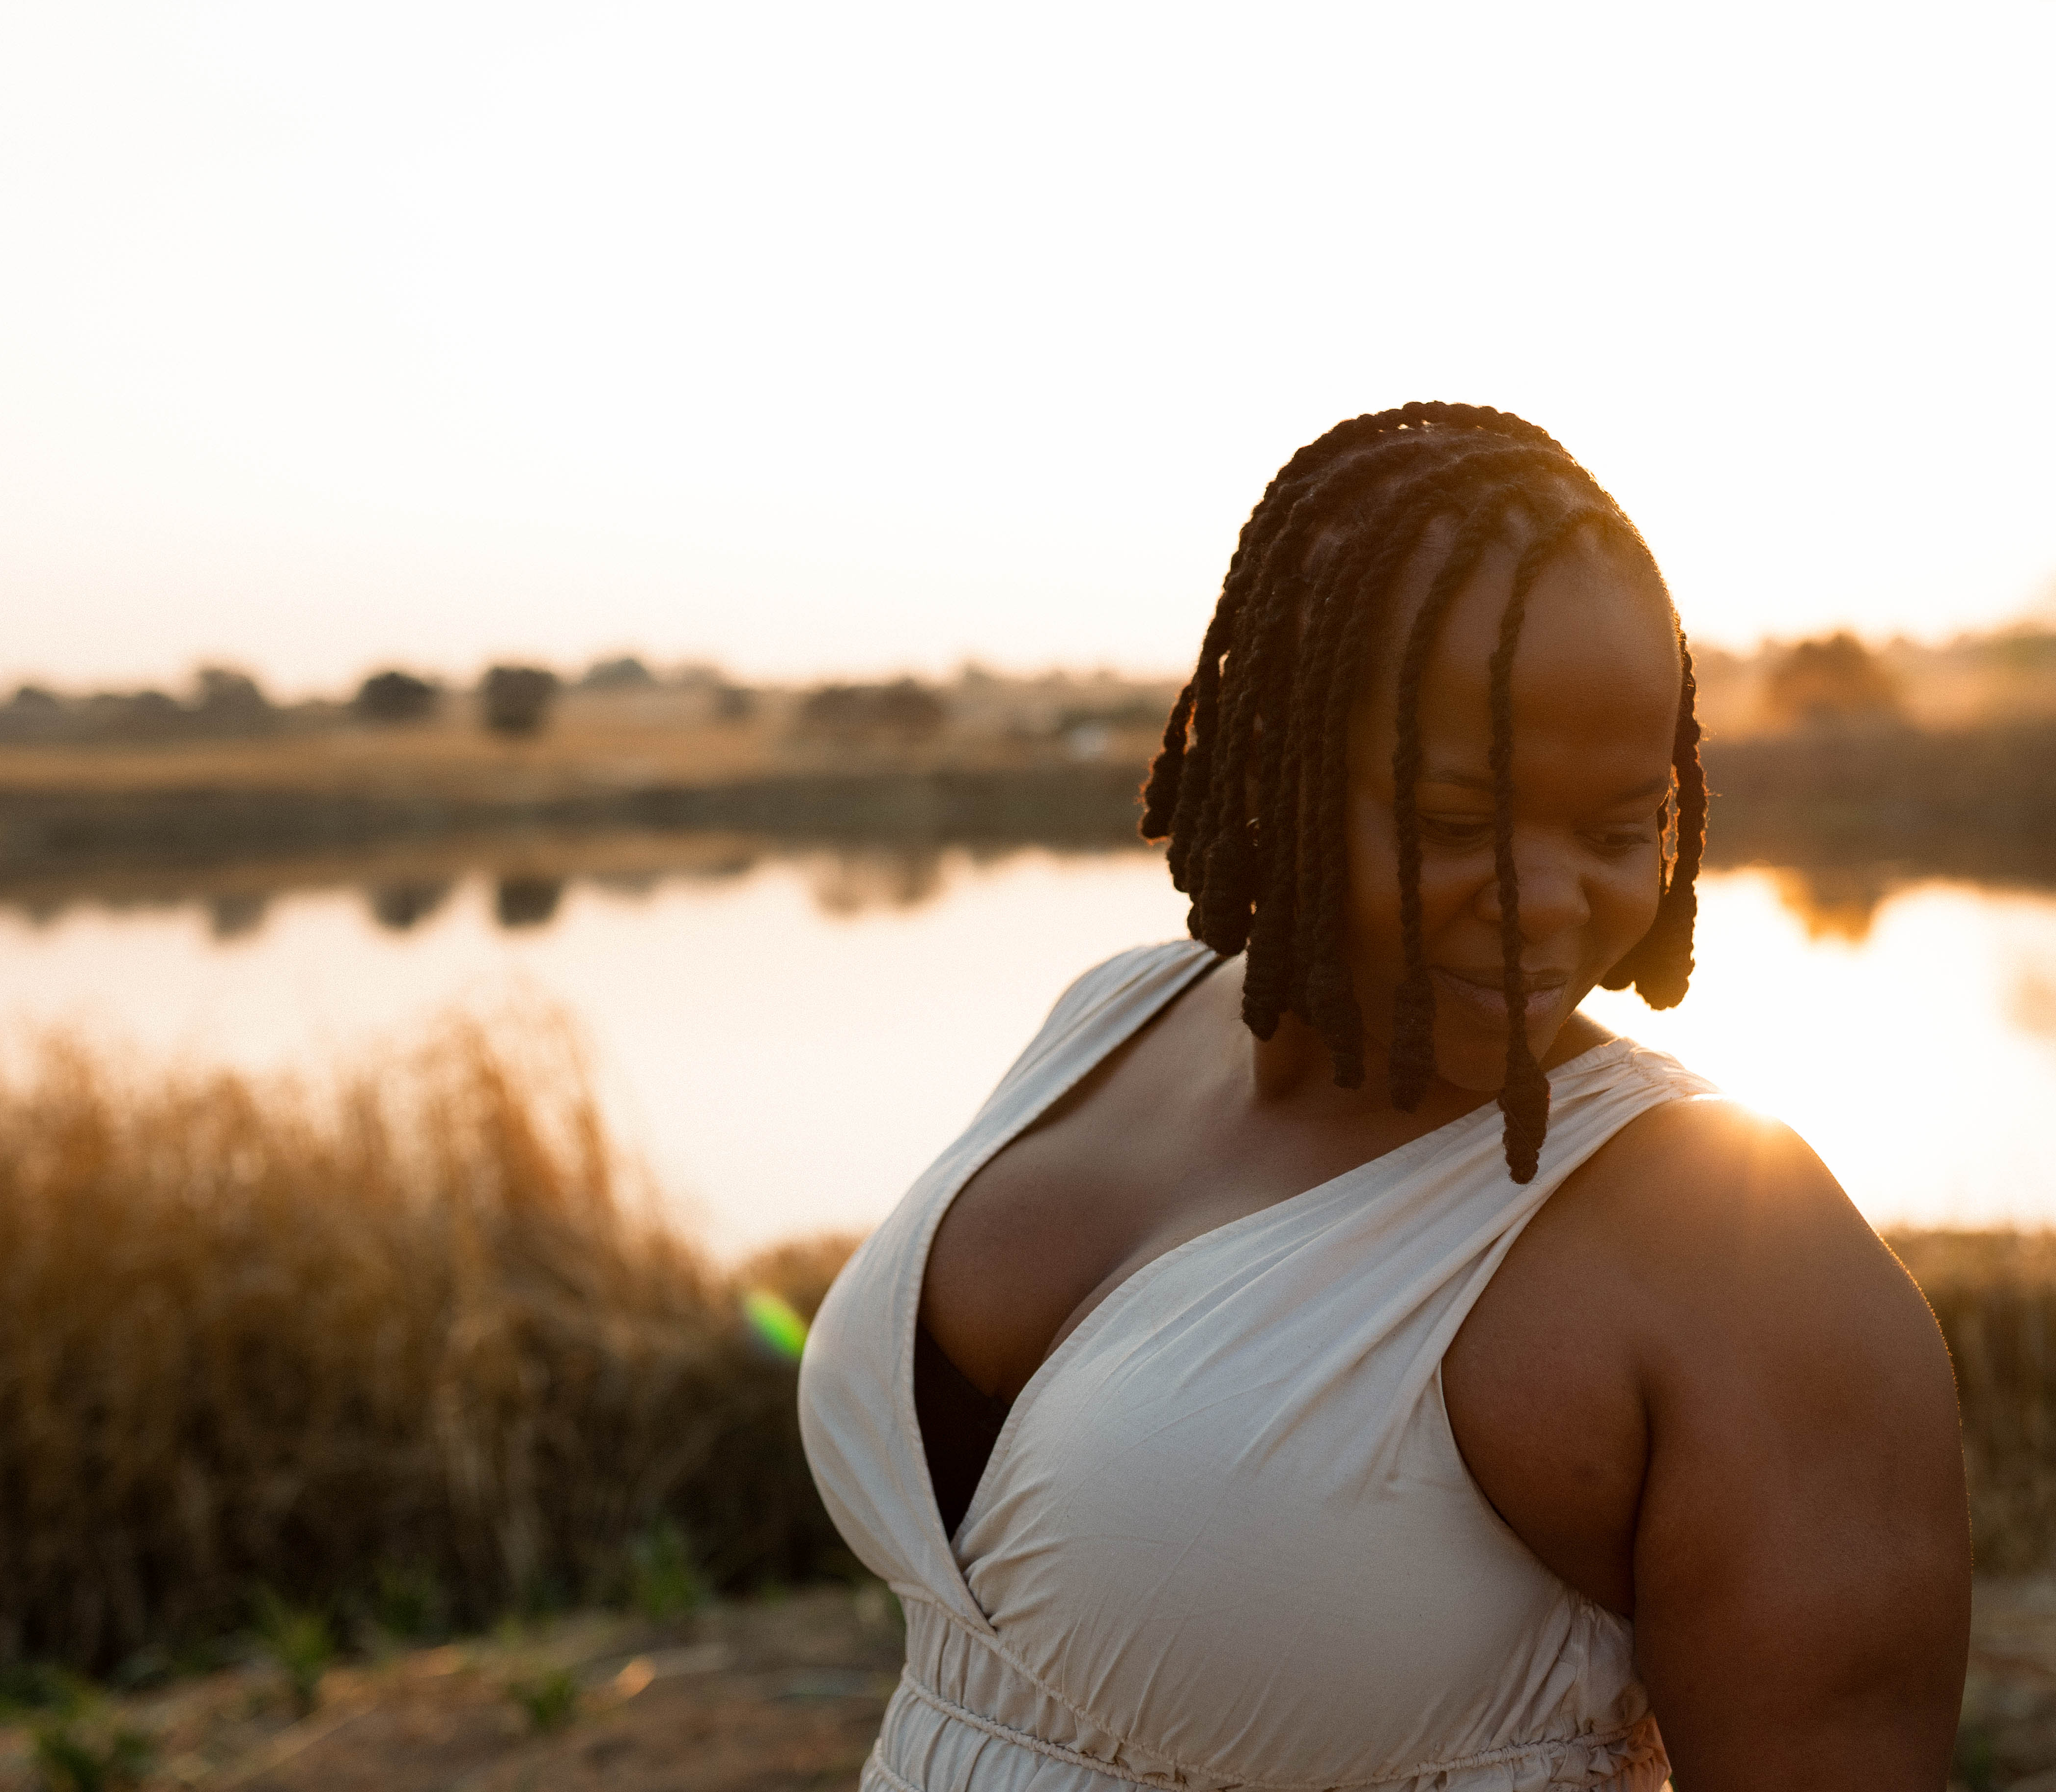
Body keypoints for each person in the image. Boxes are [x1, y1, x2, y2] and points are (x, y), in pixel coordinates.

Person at [798, 403, 1971, 1792]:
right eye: (1459, 824)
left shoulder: (1737, 1258)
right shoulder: (1110, 1020)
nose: (1549, 906)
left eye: (1620, 829)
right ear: (1275, 759)